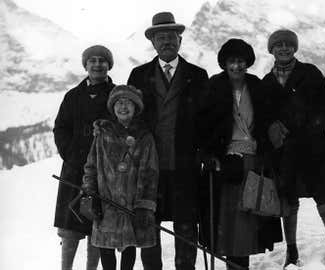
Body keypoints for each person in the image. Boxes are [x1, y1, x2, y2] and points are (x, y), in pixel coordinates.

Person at [127, 11, 210, 270]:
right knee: (149, 223)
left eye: (172, 37)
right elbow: (130, 118)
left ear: (180, 41)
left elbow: (206, 120)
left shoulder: (197, 76)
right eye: (161, 37)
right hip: (148, 167)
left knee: (186, 225)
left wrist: (204, 152)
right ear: (153, 42)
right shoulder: (138, 76)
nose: (167, 42)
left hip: (185, 164)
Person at [262, 29, 325, 267]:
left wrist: (316, 123)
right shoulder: (267, 83)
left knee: (323, 196)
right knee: (289, 201)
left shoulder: (309, 72)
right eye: (277, 45)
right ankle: (291, 253)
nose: (283, 48)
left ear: (294, 48)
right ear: (271, 50)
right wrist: (272, 128)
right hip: (285, 151)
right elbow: (263, 116)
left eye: (288, 44)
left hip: (314, 146)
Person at [201, 38, 283, 270]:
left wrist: (267, 149)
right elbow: (203, 123)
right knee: (227, 221)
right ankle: (231, 265)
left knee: (247, 218)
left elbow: (267, 118)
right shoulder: (214, 86)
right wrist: (209, 153)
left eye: (240, 61)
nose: (236, 66)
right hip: (224, 162)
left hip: (253, 161)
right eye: (231, 62)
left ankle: (241, 266)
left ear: (247, 63)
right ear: (224, 64)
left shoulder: (256, 85)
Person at [82, 85, 159, 270]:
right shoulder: (102, 134)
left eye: (128, 103)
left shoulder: (145, 137)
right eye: (119, 102)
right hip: (105, 202)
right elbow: (91, 166)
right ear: (113, 107)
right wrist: (89, 193)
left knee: (129, 247)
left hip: (132, 203)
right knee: (106, 249)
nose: (123, 107)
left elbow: (151, 172)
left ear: (136, 108)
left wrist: (144, 205)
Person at [53, 45, 115, 270]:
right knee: (70, 226)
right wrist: (70, 154)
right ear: (86, 65)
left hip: (104, 170)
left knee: (96, 224)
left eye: (102, 60)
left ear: (109, 65)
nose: (98, 64)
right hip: (74, 168)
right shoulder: (73, 96)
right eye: (93, 60)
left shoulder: (116, 94)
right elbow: (60, 128)